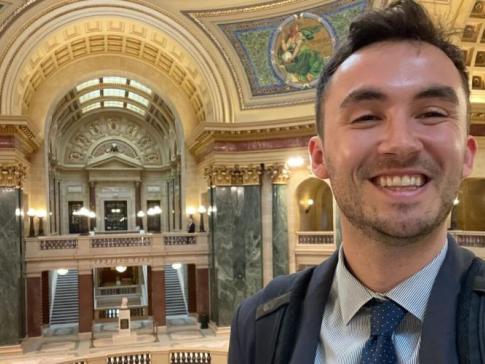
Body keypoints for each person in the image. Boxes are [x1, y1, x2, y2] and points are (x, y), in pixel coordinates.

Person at [228, 0, 478, 363]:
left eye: (432, 113)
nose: (401, 143)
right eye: (365, 117)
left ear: (467, 154)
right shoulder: (259, 324)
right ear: (319, 156)